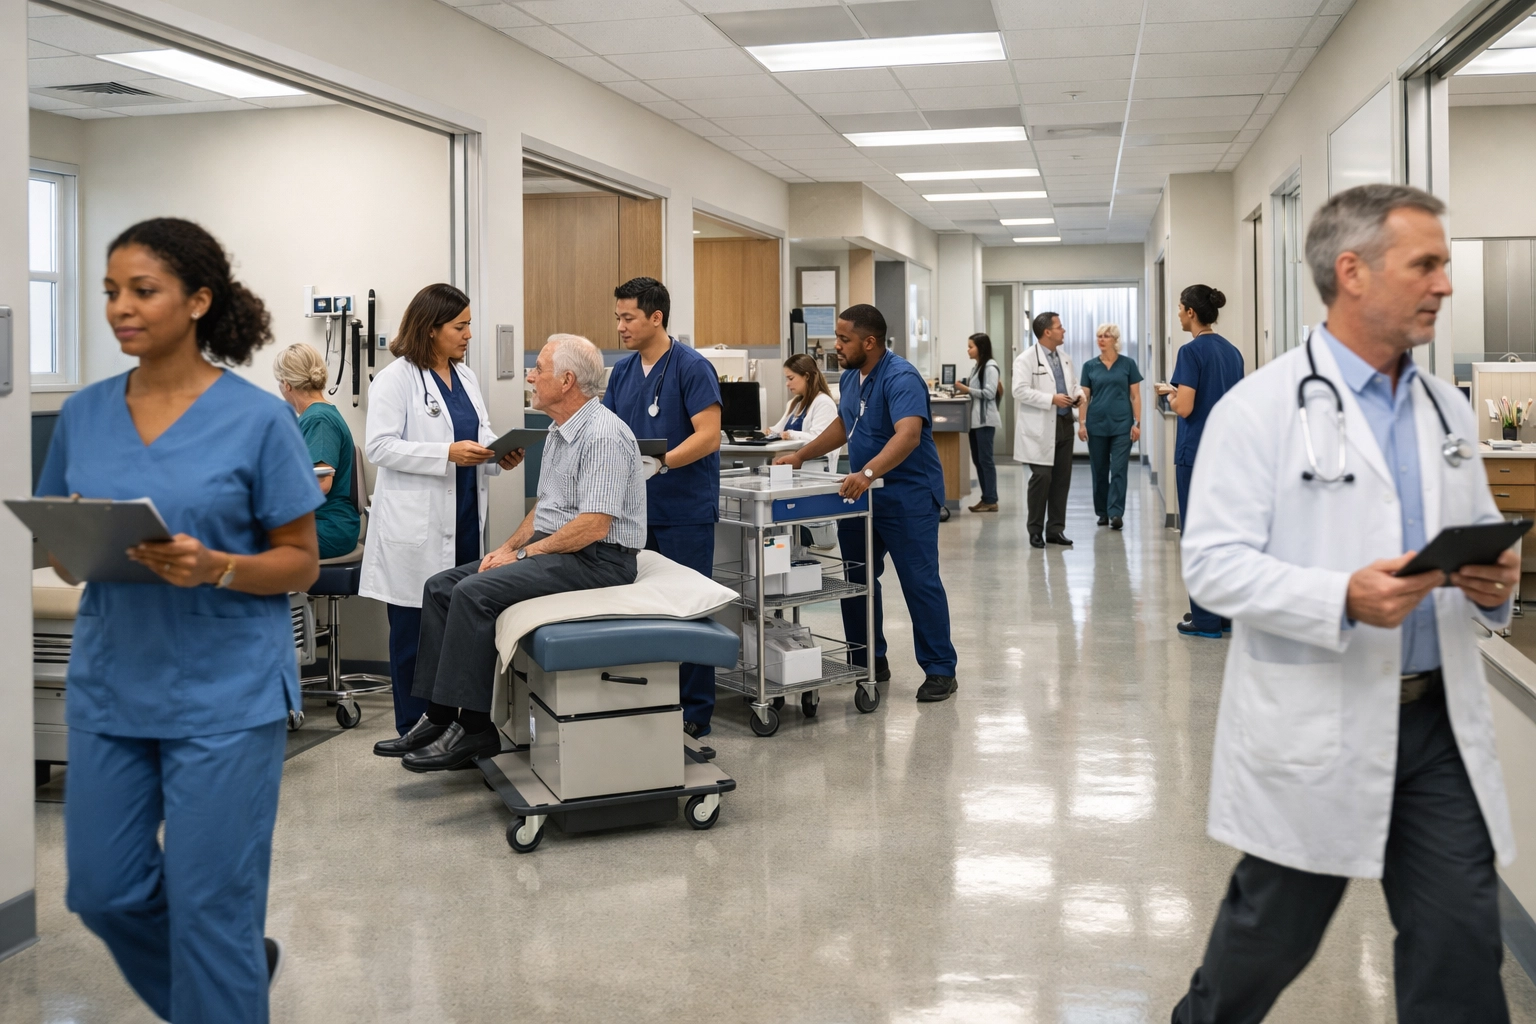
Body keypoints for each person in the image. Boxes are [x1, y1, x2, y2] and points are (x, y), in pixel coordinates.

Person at [1172, 184, 1520, 1022]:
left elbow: (1477, 530)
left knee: (1461, 949)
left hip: (1436, 727)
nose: (1445, 284)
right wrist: (1340, 597)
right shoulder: (1261, 408)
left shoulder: (1444, 406)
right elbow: (1212, 567)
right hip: (1318, 720)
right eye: (1426, 263)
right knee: (1263, 946)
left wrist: (1495, 579)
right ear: (1353, 272)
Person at [39, 218, 324, 1022]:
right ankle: (228, 989)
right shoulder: (86, 415)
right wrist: (76, 539)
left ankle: (226, 986)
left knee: (212, 912)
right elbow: (66, 551)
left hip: (225, 694)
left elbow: (299, 560)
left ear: (198, 301)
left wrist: (218, 566)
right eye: (109, 293)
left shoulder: (257, 420)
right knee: (103, 889)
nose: (120, 308)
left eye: (142, 291)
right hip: (113, 683)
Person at [374, 335, 647, 770]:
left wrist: (522, 558)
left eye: (539, 368)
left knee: (474, 593)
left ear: (567, 380)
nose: (531, 376)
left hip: (600, 561)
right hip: (569, 552)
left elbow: (593, 526)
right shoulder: (561, 431)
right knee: (442, 586)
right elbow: (548, 511)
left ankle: (477, 728)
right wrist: (506, 547)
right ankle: (440, 715)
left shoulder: (603, 435)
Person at [775, 304, 959, 702]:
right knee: (856, 581)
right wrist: (802, 454)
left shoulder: (901, 377)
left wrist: (869, 473)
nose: (836, 346)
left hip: (906, 495)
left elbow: (907, 435)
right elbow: (844, 424)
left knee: (919, 583)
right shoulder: (852, 378)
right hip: (861, 499)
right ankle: (869, 660)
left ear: (869, 342)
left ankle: (941, 669)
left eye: (844, 339)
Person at [359, 284, 520, 737]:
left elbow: (481, 434)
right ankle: (413, 727)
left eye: (468, 324)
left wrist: (498, 454)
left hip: (465, 518)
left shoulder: (465, 378)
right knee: (413, 633)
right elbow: (380, 446)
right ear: (431, 329)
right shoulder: (396, 378)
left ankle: (452, 727)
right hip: (418, 527)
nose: (469, 334)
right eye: (460, 326)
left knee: (460, 630)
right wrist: (444, 454)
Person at [602, 277, 723, 738]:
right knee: (639, 608)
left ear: (656, 317)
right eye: (617, 318)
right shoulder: (624, 372)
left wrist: (661, 464)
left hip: (683, 510)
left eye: (628, 317)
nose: (620, 327)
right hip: (634, 514)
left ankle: (694, 711)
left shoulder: (691, 367)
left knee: (687, 609)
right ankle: (649, 701)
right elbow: (610, 432)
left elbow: (708, 436)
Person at [1158, 284, 1243, 638]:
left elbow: (1186, 407)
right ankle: (1225, 615)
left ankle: (1205, 619)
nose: (1178, 314)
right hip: (1229, 454)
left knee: (1197, 535)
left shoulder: (1190, 352)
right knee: (1225, 535)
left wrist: (1169, 393)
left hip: (1197, 454)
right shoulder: (1232, 352)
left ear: (1191, 313)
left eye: (1180, 309)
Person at [273, 342, 360, 559]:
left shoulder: (319, 419)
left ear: (286, 384)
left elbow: (321, 483)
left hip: (326, 527)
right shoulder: (317, 415)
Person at [1013, 311, 1082, 548]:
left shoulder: (1064, 358)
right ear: (1047, 332)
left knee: (1062, 480)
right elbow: (1019, 390)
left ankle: (1055, 530)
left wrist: (1079, 396)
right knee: (1042, 478)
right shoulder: (1025, 359)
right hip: (1040, 428)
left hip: (1064, 424)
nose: (1063, 331)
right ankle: (1035, 530)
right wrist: (1051, 399)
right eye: (1060, 327)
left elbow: (1074, 385)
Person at [1077, 323, 1142, 531]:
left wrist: (1137, 423)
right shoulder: (1089, 366)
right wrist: (1081, 423)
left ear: (1115, 339)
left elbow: (1135, 396)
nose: (1101, 339)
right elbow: (1084, 397)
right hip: (1096, 425)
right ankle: (1102, 512)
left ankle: (1115, 512)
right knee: (1099, 469)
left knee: (1119, 469)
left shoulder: (1128, 364)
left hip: (1122, 425)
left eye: (1105, 336)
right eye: (1098, 336)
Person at [953, 332, 1001, 512]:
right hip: (975, 422)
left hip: (985, 422)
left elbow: (989, 393)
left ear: (980, 348)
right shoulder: (977, 367)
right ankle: (986, 497)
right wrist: (964, 392)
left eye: (970, 346)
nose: (968, 350)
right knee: (979, 461)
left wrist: (966, 389)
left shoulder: (990, 367)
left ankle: (991, 500)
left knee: (985, 461)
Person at [768, 353, 839, 473]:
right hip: (792, 470)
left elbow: (820, 441)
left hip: (815, 472)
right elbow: (777, 431)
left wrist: (790, 435)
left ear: (806, 376)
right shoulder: (794, 404)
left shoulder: (824, 403)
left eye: (791, 378)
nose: (787, 384)